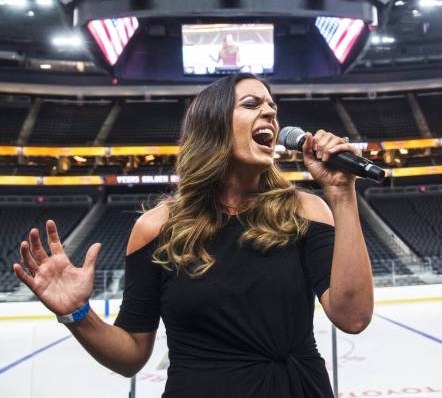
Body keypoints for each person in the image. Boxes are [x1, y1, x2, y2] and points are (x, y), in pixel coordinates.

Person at [13, 73, 373, 398]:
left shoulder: (304, 210)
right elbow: (131, 356)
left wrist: (342, 194)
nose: (270, 113)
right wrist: (78, 314)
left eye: (272, 106)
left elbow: (353, 317)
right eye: (252, 104)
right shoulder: (156, 228)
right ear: (211, 126)